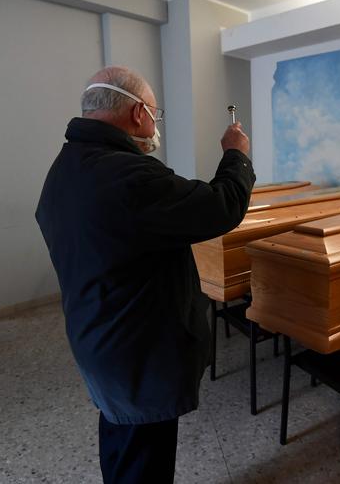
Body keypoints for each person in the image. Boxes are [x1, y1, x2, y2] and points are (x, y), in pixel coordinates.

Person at [35, 66, 255, 483]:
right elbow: (221, 205)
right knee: (143, 460)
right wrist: (236, 154)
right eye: (156, 114)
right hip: (137, 351)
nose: (156, 125)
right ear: (139, 113)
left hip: (99, 334)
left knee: (122, 438)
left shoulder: (66, 166)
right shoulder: (129, 175)